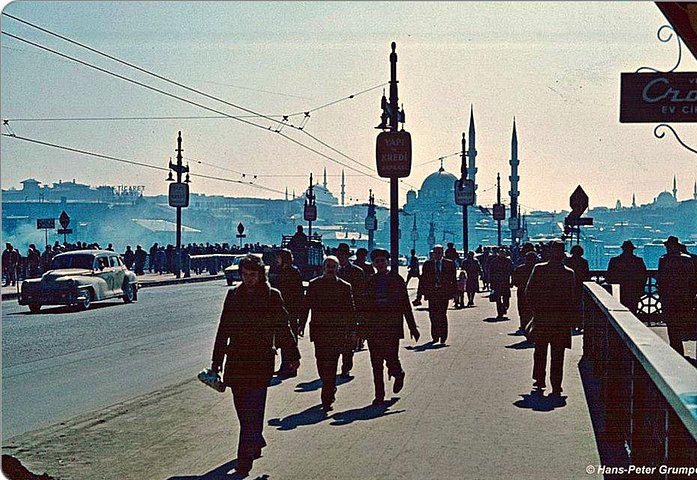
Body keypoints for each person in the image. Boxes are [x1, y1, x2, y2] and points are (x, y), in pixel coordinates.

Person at [211, 254, 300, 476]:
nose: (249, 279)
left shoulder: (272, 296)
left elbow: (283, 328)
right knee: (243, 412)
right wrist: (216, 361)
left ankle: (244, 460)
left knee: (254, 410)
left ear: (262, 275)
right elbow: (224, 329)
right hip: (237, 361)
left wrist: (292, 355)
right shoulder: (233, 296)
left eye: (253, 275)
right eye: (245, 274)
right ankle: (255, 439)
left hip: (260, 361)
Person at [362, 249, 420, 405]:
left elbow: (405, 305)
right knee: (376, 363)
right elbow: (363, 307)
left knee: (391, 358)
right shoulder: (369, 281)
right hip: (374, 328)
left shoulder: (396, 280)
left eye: (382, 261)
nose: (380, 264)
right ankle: (379, 395)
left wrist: (412, 327)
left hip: (391, 327)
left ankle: (398, 373)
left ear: (387, 262)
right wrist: (361, 329)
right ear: (373, 264)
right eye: (377, 261)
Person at [525, 239, 579, 395]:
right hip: (561, 320)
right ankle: (556, 385)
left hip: (542, 317)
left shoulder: (539, 269)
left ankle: (539, 380)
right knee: (558, 354)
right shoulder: (569, 273)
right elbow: (572, 298)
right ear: (563, 255)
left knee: (540, 350)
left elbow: (529, 292)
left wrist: (536, 311)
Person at [302, 256, 356, 411]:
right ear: (323, 268)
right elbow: (307, 305)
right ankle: (329, 385)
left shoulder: (345, 287)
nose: (330, 268)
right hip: (319, 331)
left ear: (337, 268)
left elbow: (350, 310)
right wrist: (302, 323)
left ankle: (327, 395)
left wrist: (353, 330)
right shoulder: (314, 284)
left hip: (337, 332)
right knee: (321, 363)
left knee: (331, 364)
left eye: (333, 266)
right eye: (328, 266)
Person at [656, 236, 697, 356]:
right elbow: (692, 281)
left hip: (669, 299)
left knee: (671, 325)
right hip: (685, 299)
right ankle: (679, 349)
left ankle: (675, 349)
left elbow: (661, 280)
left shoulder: (664, 260)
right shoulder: (687, 259)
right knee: (682, 323)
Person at [270, 249, 304, 378]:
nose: (277, 260)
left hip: (290, 310)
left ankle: (290, 368)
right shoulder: (279, 271)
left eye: (279, 258)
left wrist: (298, 312)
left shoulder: (293, 271)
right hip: (281, 309)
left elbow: (298, 292)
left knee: (289, 341)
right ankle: (285, 366)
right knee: (282, 340)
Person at [335, 243, 366, 378]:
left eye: (343, 256)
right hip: (335, 314)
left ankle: (346, 366)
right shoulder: (332, 271)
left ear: (347, 257)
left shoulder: (357, 272)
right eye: (339, 256)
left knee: (348, 343)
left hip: (351, 312)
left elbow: (361, 294)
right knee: (335, 343)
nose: (341, 258)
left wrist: (360, 315)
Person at [419, 245, 457, 344]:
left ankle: (443, 337)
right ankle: (435, 336)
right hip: (432, 293)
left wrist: (455, 293)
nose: (437, 255)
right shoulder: (427, 264)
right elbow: (422, 280)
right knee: (432, 315)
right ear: (433, 254)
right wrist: (419, 296)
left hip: (444, 293)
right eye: (435, 253)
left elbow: (453, 280)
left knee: (442, 314)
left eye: (439, 253)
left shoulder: (449, 264)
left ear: (443, 253)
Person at [605, 240, 647, 314]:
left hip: (619, 290)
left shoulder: (615, 261)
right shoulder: (638, 261)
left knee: (620, 311)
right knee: (633, 311)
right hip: (634, 290)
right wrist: (641, 289)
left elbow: (609, 276)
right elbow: (643, 276)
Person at [512, 251, 539, 333]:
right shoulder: (538, 270)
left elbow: (515, 282)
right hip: (535, 293)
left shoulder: (520, 269)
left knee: (522, 310)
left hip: (522, 292)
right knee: (533, 311)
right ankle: (532, 327)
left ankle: (524, 326)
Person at [489, 249, 513, 319]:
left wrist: (512, 281)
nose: (502, 254)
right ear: (498, 253)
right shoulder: (494, 261)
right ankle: (500, 312)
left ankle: (504, 307)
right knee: (498, 299)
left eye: (503, 253)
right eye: (501, 253)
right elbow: (491, 272)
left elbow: (512, 271)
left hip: (506, 282)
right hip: (497, 282)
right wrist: (491, 282)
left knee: (506, 298)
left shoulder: (508, 261)